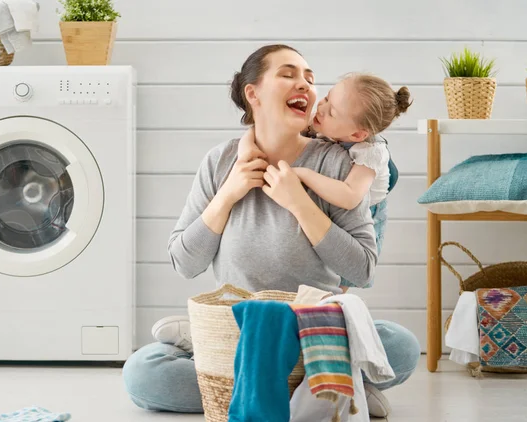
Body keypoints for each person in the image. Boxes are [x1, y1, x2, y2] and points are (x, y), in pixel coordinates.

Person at [123, 44, 420, 419]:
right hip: (237, 331)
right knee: (142, 373)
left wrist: (299, 202)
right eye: (289, 74)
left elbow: (362, 269)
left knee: (402, 345)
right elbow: (185, 262)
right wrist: (228, 194)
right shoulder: (220, 161)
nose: (306, 86)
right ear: (254, 93)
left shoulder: (334, 162)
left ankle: (255, 387)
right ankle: (331, 387)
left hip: (314, 334)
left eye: (310, 79)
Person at [238, 73, 412, 288]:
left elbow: (350, 197)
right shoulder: (325, 124)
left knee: (342, 278)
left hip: (367, 211)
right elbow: (268, 127)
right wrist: (246, 144)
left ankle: (335, 308)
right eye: (327, 98)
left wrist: (303, 174)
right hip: (333, 197)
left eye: (331, 112)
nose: (320, 108)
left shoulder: (371, 151)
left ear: (357, 135)